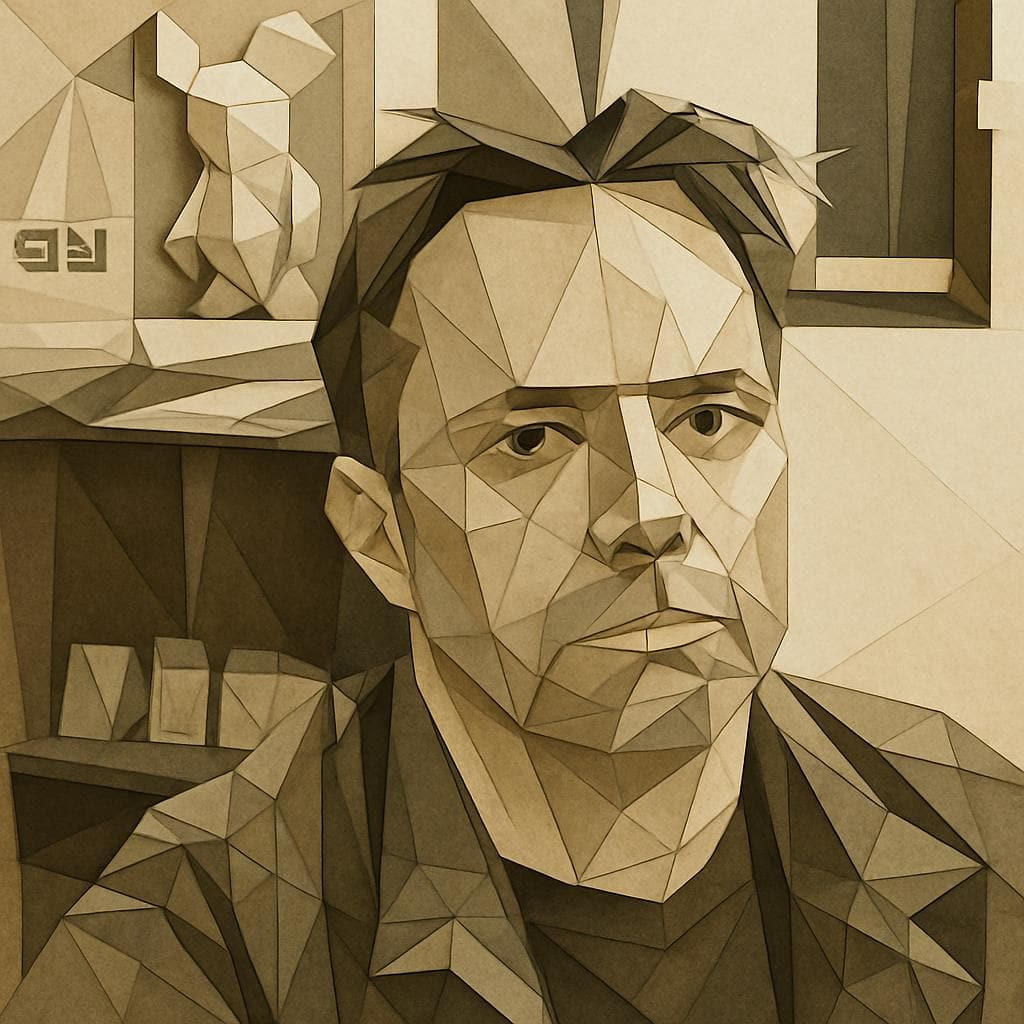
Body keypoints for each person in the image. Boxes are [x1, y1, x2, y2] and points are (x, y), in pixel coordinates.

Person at [4, 93, 1023, 1024]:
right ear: (379, 534)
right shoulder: (190, 930)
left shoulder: (983, 840)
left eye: (709, 419)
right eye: (532, 440)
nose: (651, 511)